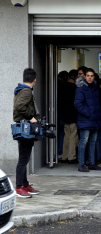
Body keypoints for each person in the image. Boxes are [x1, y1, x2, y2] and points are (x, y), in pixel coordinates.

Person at [13, 68, 40, 198]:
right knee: (23, 159)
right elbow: (19, 107)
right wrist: (31, 117)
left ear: (24, 78)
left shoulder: (21, 90)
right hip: (25, 128)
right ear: (35, 80)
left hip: (23, 128)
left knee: (25, 157)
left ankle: (24, 184)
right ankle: (19, 187)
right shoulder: (26, 91)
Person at [74, 68, 101, 172]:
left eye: (92, 76)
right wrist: (89, 113)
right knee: (83, 142)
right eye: (88, 75)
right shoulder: (81, 88)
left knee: (92, 142)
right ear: (84, 77)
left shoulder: (95, 87)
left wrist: (97, 115)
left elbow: (97, 103)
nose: (90, 77)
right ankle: (81, 164)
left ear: (94, 77)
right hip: (86, 119)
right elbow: (77, 104)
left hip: (94, 119)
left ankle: (92, 163)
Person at [59, 69, 79, 164]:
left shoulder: (62, 86)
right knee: (73, 136)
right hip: (73, 114)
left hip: (65, 114)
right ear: (75, 77)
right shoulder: (75, 88)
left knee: (66, 135)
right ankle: (71, 156)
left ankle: (64, 156)